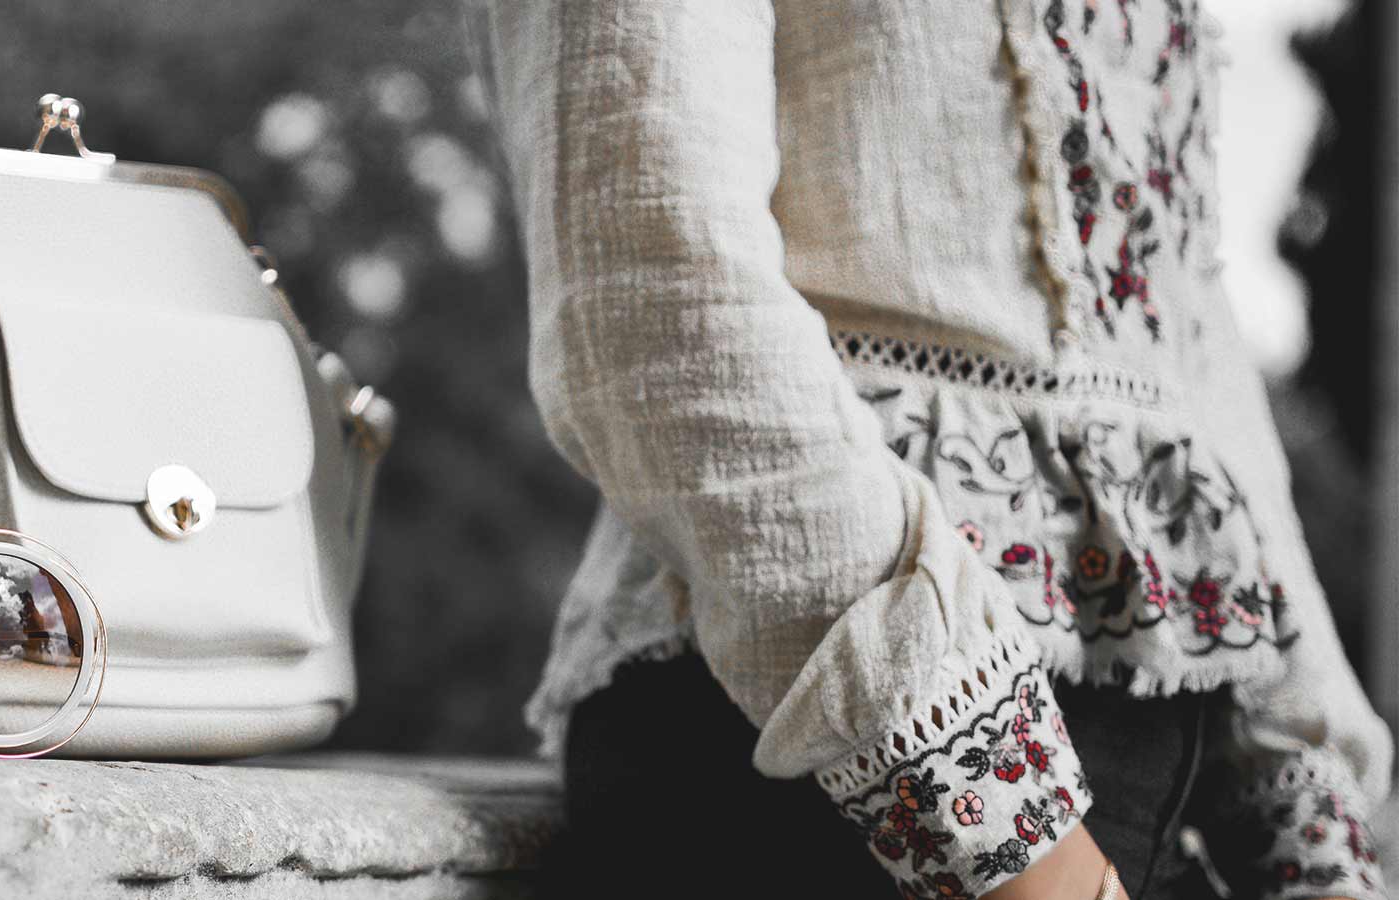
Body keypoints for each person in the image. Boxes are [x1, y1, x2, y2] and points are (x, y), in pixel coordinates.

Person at [471, 1, 1391, 897]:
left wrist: (1308, 824)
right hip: (825, 768)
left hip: (1153, 790)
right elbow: (654, 285)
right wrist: (1028, 856)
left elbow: (1183, 351)